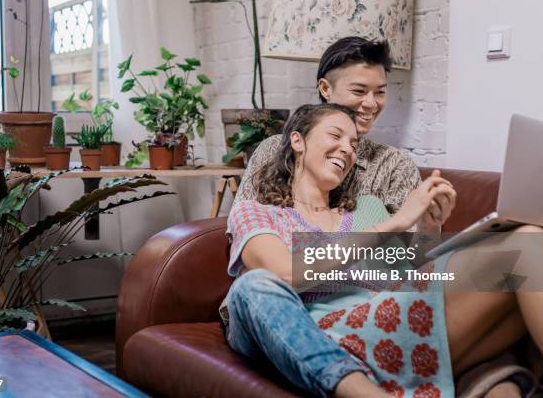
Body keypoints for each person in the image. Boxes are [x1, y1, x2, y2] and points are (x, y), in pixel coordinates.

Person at [225, 103, 543, 397]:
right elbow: (284, 272)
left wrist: (430, 228)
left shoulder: (369, 209)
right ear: (298, 141)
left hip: (395, 323)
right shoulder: (259, 211)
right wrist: (396, 222)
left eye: (353, 144)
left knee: (528, 238)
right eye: (335, 135)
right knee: (250, 286)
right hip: (329, 338)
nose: (347, 149)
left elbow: (406, 276)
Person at [235, 37, 421, 218]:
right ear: (325, 89)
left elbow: (414, 245)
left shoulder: (396, 166)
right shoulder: (273, 150)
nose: (372, 103)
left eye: (380, 92)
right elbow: (241, 226)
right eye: (358, 91)